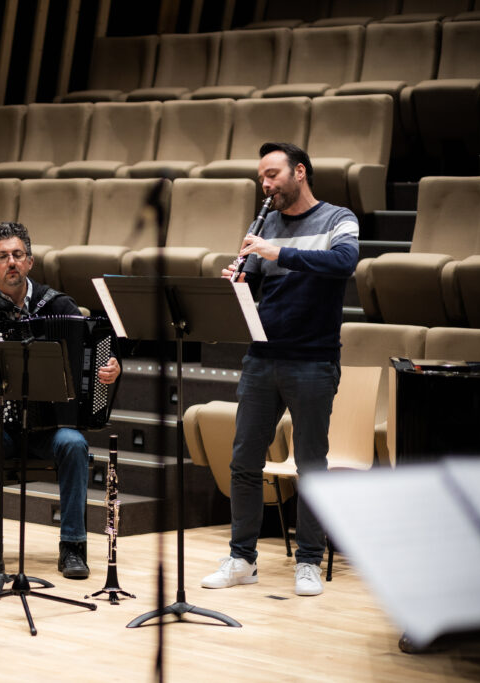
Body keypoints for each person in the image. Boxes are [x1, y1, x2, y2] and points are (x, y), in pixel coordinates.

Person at [200, 142, 359, 596]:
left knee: (311, 465)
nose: (265, 185)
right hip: (261, 358)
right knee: (244, 461)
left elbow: (344, 262)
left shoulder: (338, 218)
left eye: (272, 175)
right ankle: (242, 559)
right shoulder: (265, 225)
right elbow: (254, 284)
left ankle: (308, 561)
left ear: (300, 172)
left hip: (313, 360)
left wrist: (277, 253)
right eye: (261, 178)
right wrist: (238, 280)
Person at [0, 222, 121, 579]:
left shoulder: (59, 305)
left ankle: (72, 546)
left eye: (18, 255)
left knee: (74, 444)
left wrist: (110, 368)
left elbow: (93, 357)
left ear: (30, 261)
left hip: (49, 426)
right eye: (2, 257)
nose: (11, 262)